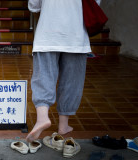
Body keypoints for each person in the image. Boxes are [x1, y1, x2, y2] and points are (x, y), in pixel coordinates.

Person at [26, 0, 101, 143]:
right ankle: (63, 125)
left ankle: (42, 119)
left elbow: (33, 6)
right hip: (76, 34)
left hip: (47, 33)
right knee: (72, 81)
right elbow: (95, 3)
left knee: (43, 76)